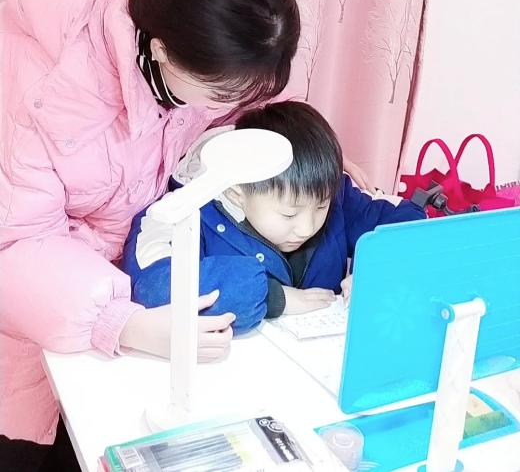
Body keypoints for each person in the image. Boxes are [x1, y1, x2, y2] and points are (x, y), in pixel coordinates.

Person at [0, 0, 303, 467]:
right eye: (223, 93)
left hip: (130, 292)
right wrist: (122, 322)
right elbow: (14, 243)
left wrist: (310, 155)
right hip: (38, 322)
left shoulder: (186, 41)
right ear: (160, 53)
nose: (234, 105)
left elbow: (238, 110)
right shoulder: (47, 89)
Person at [122, 101, 426, 333]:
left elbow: (413, 225)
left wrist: (379, 269)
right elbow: (155, 286)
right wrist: (272, 297)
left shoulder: (330, 191)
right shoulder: (182, 212)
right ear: (237, 192)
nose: (306, 227)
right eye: (289, 213)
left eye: (321, 207)